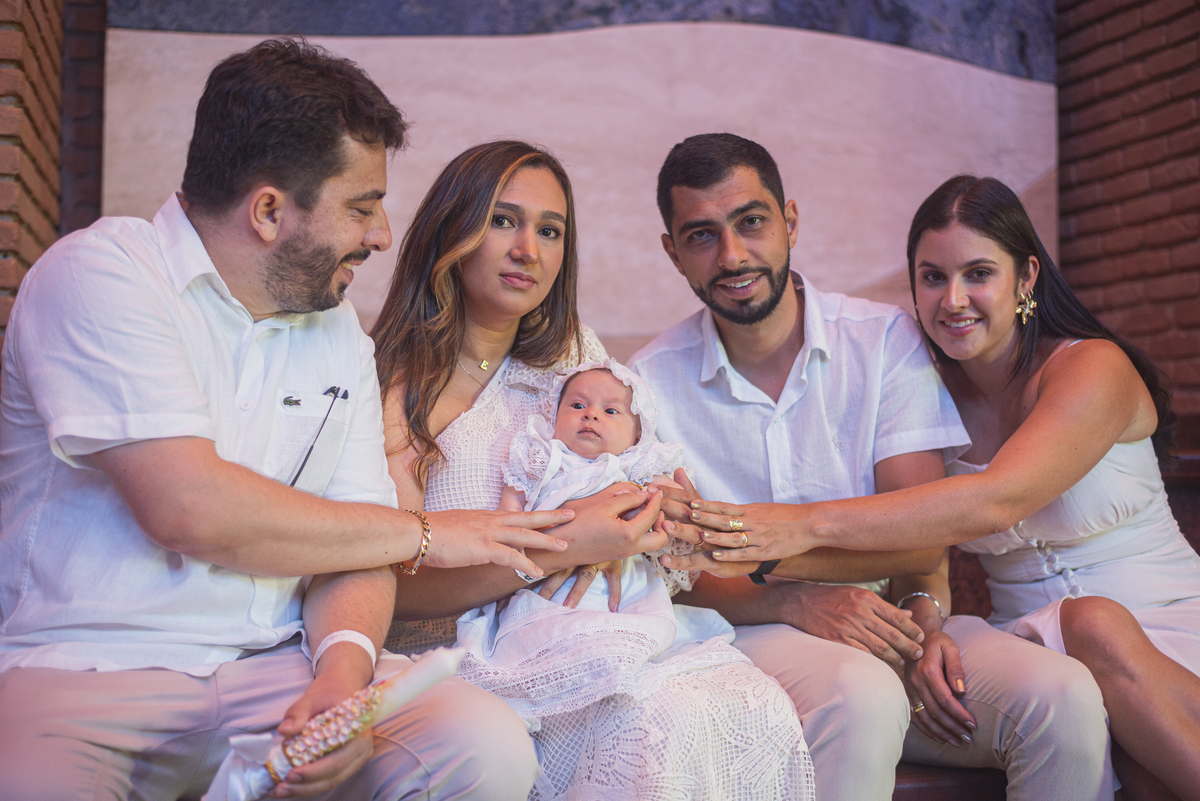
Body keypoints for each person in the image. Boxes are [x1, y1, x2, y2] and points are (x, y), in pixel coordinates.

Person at [0, 39, 579, 800]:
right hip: (86, 671)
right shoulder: (101, 273)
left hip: (275, 666)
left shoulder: (334, 329)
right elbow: (189, 507)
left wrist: (343, 673)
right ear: (270, 210)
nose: (379, 234)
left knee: (484, 745)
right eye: (362, 206)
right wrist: (430, 535)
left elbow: (353, 544)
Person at [678, 171, 1200, 799]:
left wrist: (794, 524)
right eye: (933, 277)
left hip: (1160, 631)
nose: (953, 299)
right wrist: (918, 619)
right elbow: (919, 548)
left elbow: (994, 500)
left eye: (978, 273)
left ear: (1026, 278)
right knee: (1105, 740)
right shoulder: (923, 386)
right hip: (1034, 640)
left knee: (1096, 631)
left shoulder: (1092, 367)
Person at [372, 140, 814, 800]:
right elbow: (391, 589)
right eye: (503, 220)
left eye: (550, 230)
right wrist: (562, 549)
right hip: (465, 655)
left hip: (604, 629)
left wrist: (662, 515)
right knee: (658, 718)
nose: (529, 249)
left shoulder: (575, 360)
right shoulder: (393, 387)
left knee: (737, 702)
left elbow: (651, 487)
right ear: (451, 228)